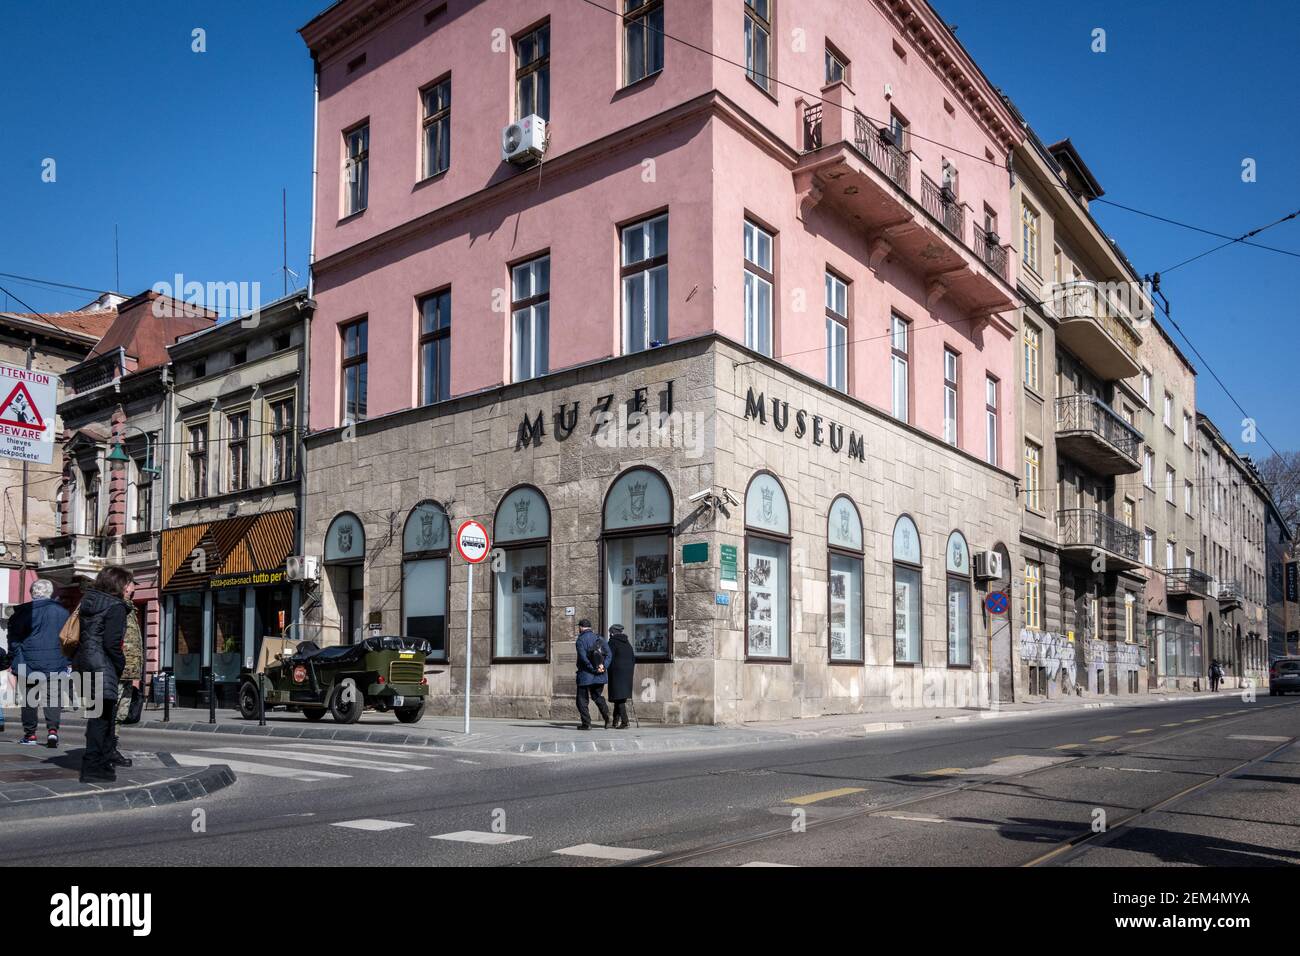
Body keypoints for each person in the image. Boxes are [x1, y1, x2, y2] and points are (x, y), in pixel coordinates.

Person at [72, 566, 134, 783]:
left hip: (85, 663)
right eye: (129, 583)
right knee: (102, 718)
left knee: (96, 715)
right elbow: (111, 643)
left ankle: (100, 762)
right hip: (102, 665)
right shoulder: (115, 607)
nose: (132, 587)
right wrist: (120, 663)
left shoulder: (89, 602)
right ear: (120, 584)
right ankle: (93, 766)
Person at [8, 579, 70, 747]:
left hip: (27, 662)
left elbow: (14, 639)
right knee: (53, 698)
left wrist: (14, 658)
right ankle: (52, 731)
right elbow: (69, 639)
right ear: (50, 593)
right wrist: (68, 660)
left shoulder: (22, 613)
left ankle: (30, 735)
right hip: (56, 662)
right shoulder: (62, 612)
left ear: (32, 592)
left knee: (29, 699)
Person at [574, 618, 612, 730]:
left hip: (585, 675)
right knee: (597, 696)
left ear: (581, 627)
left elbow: (583, 658)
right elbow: (609, 654)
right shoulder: (600, 638)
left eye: (579, 627)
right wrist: (603, 667)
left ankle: (586, 724)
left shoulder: (580, 640)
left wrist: (593, 669)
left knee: (581, 700)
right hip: (600, 675)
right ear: (590, 627)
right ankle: (607, 718)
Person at [605, 624, 635, 730]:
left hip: (616, 673)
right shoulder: (627, 643)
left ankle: (625, 722)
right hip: (627, 674)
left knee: (619, 698)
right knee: (620, 697)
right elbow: (633, 658)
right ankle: (615, 721)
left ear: (612, 632)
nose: (609, 634)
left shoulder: (612, 642)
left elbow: (608, 656)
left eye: (610, 632)